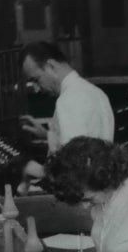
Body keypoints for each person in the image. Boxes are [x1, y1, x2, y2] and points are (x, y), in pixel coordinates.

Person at [18, 41, 115, 190]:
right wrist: (49, 134)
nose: (37, 89)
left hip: (81, 192)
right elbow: (90, 141)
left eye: (37, 80)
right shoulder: (95, 92)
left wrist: (35, 170)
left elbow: (74, 164)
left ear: (51, 66)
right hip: (99, 185)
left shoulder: (68, 100)